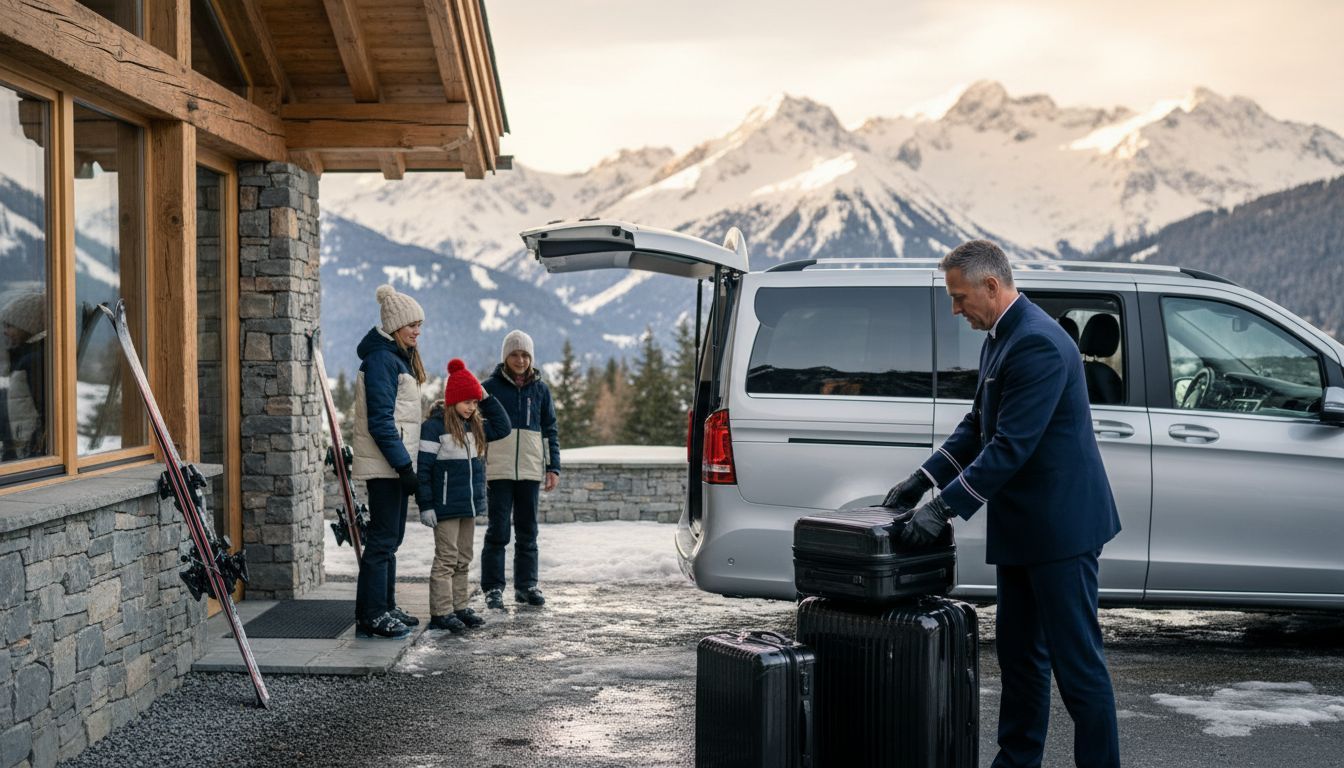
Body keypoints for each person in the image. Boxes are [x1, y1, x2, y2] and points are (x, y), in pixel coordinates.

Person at [887, 240, 1122, 768]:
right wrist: (920, 480)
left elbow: (1010, 448)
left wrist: (940, 509)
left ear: (991, 286)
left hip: (1061, 533)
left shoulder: (1036, 342)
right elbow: (977, 424)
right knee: (1021, 662)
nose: (954, 309)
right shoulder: (1001, 335)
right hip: (1023, 532)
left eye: (959, 296)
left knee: (1078, 669)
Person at [351, 284, 427, 638]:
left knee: (390, 539)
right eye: (412, 324)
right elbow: (381, 422)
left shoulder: (395, 358)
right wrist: (404, 467)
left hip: (394, 466)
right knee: (382, 540)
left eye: (419, 325)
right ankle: (372, 614)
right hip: (386, 466)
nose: (417, 331)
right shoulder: (382, 360)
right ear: (396, 325)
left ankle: (385, 604)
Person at [416, 359, 511, 632]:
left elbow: (503, 427)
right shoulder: (434, 428)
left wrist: (486, 396)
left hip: (467, 505)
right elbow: (423, 470)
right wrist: (426, 505)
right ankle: (441, 612)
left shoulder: (476, 427)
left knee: (463, 558)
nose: (472, 407)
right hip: (444, 507)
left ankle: (459, 606)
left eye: (475, 402)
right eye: (467, 401)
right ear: (453, 399)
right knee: (446, 559)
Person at [481, 330, 560, 609]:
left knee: (528, 532)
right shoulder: (488, 388)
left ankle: (527, 586)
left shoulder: (540, 389)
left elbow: (550, 431)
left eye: (525, 354)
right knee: (498, 532)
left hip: (528, 471)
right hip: (498, 471)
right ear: (505, 357)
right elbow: (477, 430)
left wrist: (553, 468)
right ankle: (493, 588)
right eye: (514, 354)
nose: (520, 359)